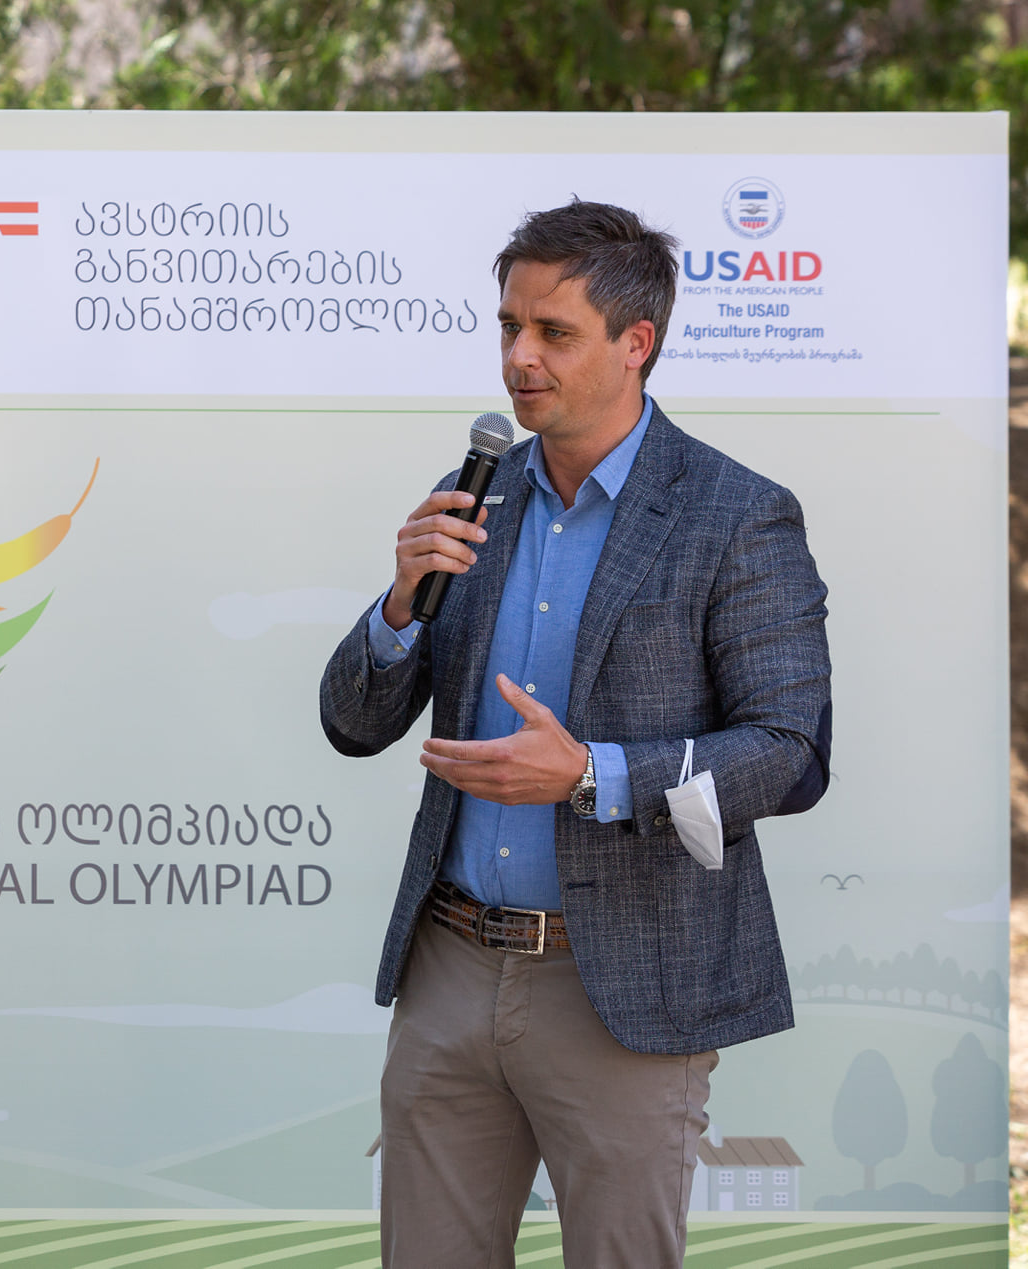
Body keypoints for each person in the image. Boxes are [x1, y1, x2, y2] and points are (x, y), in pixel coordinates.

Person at [317, 200, 831, 1268]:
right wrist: (400, 603)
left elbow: (789, 750)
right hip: (449, 965)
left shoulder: (735, 514)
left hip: (624, 984)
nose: (519, 358)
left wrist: (592, 775)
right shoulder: (474, 497)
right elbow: (353, 724)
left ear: (635, 342)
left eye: (553, 333)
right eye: (509, 326)